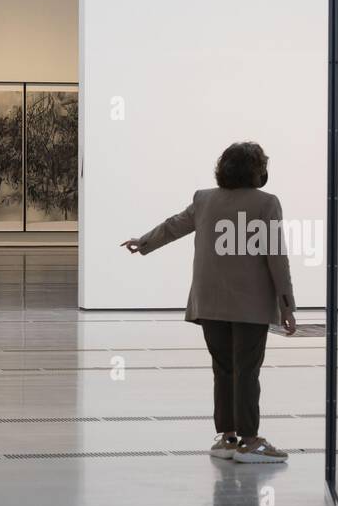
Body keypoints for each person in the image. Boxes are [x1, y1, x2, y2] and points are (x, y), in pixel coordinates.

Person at [122, 141, 297, 464]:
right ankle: (250, 440)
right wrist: (287, 306)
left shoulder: (204, 199)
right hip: (250, 306)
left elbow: (174, 226)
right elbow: (277, 257)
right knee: (247, 371)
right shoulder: (267, 203)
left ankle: (226, 438)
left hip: (210, 302)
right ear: (259, 171)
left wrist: (143, 242)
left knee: (223, 370)